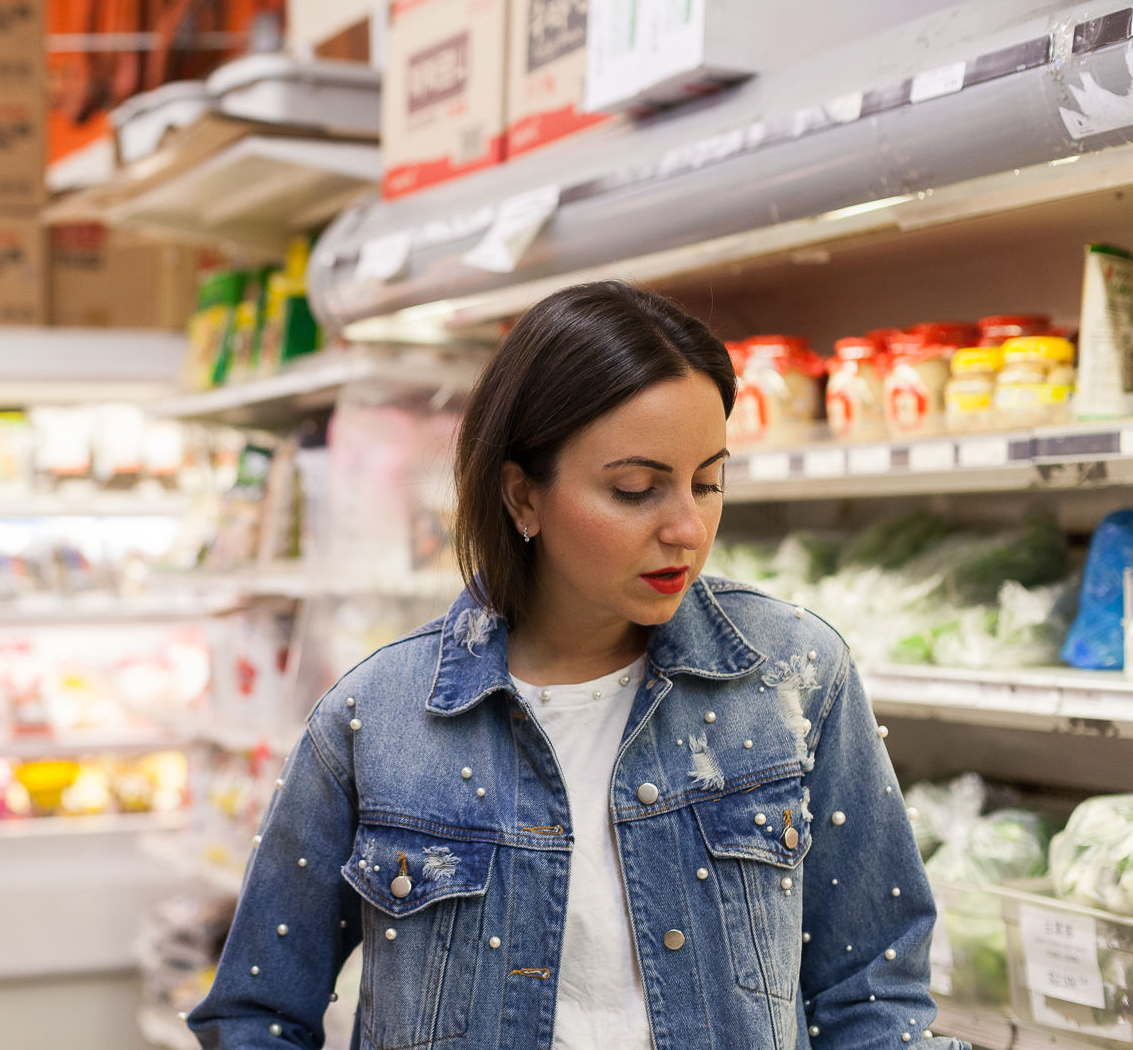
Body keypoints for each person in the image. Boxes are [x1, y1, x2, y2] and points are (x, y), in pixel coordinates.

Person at [187, 282, 961, 1050]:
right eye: (635, 490)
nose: (688, 527)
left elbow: (873, 992)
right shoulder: (377, 720)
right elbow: (256, 1012)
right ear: (522, 496)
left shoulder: (793, 676)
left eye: (709, 482)